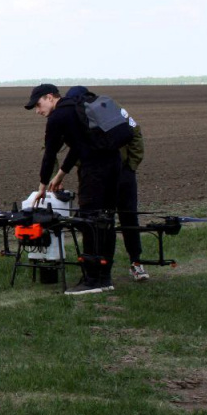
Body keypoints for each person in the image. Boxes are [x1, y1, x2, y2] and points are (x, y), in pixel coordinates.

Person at [25, 83, 121, 295]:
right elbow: (77, 147)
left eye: (38, 105)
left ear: (50, 97)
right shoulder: (77, 108)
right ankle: (105, 276)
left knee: (89, 221)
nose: (38, 111)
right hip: (114, 164)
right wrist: (61, 174)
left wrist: (42, 186)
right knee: (106, 219)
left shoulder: (58, 117)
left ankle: (92, 280)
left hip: (94, 171)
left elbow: (50, 154)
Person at [66, 86, 149, 282]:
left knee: (129, 217)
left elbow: (134, 131)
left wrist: (130, 166)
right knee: (101, 220)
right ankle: (100, 267)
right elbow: (55, 146)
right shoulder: (74, 117)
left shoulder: (110, 108)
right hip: (96, 177)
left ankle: (136, 262)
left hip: (122, 173)